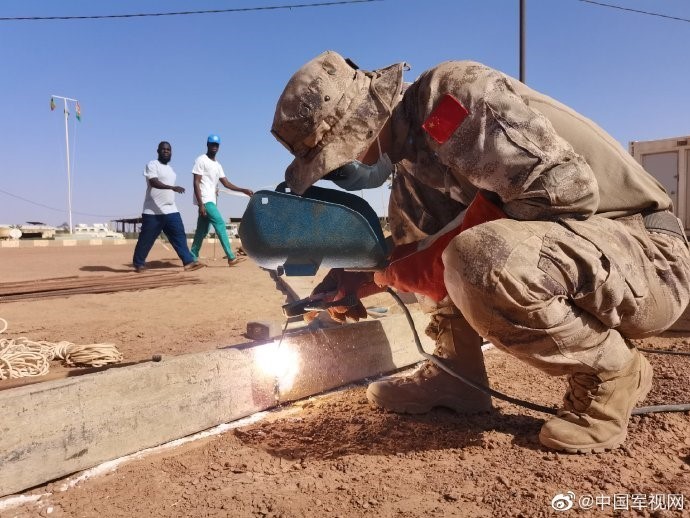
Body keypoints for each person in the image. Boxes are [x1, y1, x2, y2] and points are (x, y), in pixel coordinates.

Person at [271, 51, 690, 453]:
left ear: (363, 122)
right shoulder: (414, 163)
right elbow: (416, 252)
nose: (341, 171)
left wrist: (411, 264)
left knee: (477, 256)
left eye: (338, 159)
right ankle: (459, 377)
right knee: (433, 241)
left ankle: (612, 373)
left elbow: (566, 193)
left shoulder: (451, 98)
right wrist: (363, 275)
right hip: (593, 259)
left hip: (649, 257)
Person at [133, 141, 204, 273]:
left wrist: (172, 189)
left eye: (168, 150)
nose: (166, 151)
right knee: (146, 239)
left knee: (179, 235)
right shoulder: (152, 164)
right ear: (158, 151)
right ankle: (139, 264)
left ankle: (188, 262)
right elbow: (153, 182)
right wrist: (172, 188)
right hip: (153, 211)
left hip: (171, 210)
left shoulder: (171, 170)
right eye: (164, 149)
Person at [190, 134, 254, 266]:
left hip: (211, 200)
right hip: (205, 200)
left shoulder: (217, 165)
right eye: (212, 144)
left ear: (218, 147)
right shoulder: (201, 160)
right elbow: (196, 182)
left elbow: (226, 183)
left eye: (216, 144)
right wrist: (201, 204)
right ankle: (231, 257)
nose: (214, 146)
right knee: (219, 223)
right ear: (207, 145)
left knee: (202, 231)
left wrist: (243, 190)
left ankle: (192, 256)